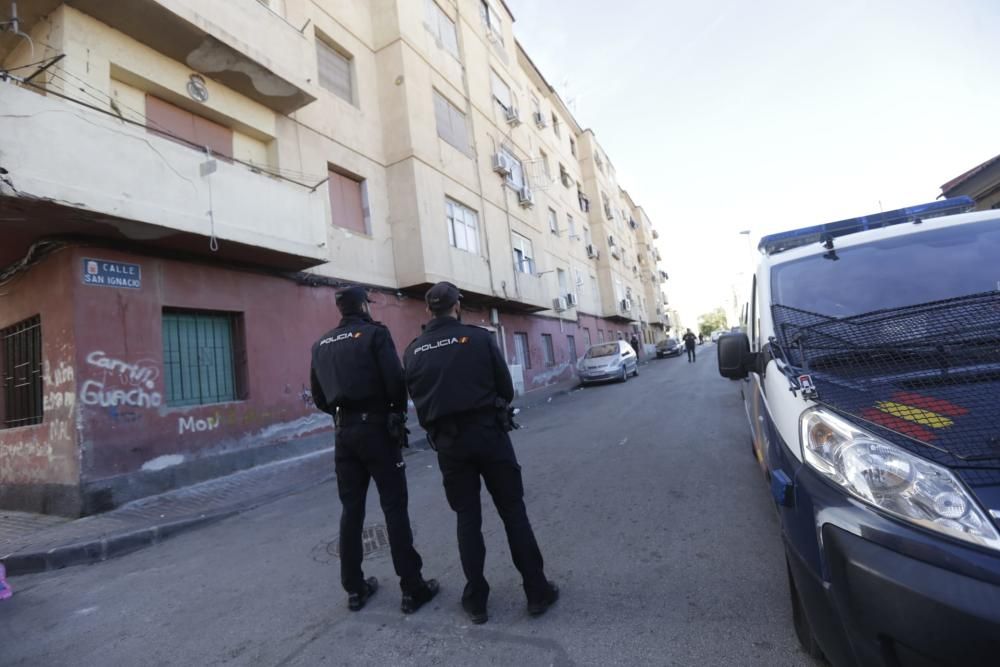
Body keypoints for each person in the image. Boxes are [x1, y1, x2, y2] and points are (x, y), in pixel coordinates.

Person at [403, 282, 558, 625]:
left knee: (467, 520)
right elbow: (506, 388)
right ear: (457, 306)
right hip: (489, 436)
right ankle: (536, 591)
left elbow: (416, 398)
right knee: (513, 512)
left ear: (429, 310)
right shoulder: (479, 338)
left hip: (449, 446)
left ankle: (476, 600)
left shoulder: (413, 351)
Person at [310, 286, 439, 614]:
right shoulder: (374, 334)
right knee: (394, 508)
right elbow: (396, 380)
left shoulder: (321, 344)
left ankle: (354, 589)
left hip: (344, 433)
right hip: (377, 431)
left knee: (351, 511)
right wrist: (394, 413)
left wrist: (345, 416)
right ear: (364, 305)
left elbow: (320, 397)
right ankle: (412, 587)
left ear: (341, 309)